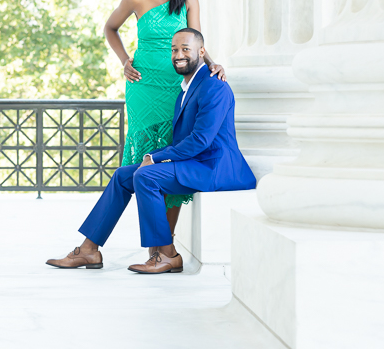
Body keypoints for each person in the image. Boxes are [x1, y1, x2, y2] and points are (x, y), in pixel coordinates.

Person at [46, 28, 256, 273]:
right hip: (195, 163)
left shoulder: (214, 87)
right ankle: (89, 250)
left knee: (145, 175)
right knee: (122, 176)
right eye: (174, 49)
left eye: (185, 49)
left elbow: (201, 140)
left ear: (201, 52)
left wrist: (154, 157)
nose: (178, 54)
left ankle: (168, 255)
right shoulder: (185, 90)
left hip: (215, 167)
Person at [103, 0, 225, 235]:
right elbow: (110, 28)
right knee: (144, 161)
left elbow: (196, 39)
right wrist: (123, 60)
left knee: (170, 157)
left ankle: (164, 242)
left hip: (175, 85)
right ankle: (156, 242)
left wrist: (212, 63)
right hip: (142, 86)